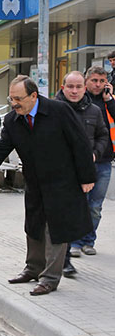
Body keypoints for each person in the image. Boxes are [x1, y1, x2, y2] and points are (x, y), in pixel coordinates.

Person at [0, 75, 95, 296]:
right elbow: (2, 146)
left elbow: (80, 142)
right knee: (33, 226)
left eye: (18, 98)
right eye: (11, 98)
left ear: (34, 96)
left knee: (56, 230)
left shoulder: (58, 111)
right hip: (34, 182)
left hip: (63, 182)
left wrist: (87, 177)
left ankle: (50, 278)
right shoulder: (14, 119)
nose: (13, 103)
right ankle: (33, 268)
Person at [55, 71, 109, 278]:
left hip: (88, 170)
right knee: (65, 214)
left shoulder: (94, 111)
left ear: (84, 88)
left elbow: (103, 134)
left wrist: (95, 153)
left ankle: (81, 244)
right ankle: (65, 258)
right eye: (70, 86)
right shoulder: (53, 109)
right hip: (62, 172)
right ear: (63, 87)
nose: (75, 91)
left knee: (90, 209)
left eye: (78, 87)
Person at [68, 66, 115, 257]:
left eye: (102, 81)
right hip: (81, 162)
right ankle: (76, 242)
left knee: (95, 206)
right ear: (86, 81)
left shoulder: (108, 102)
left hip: (104, 161)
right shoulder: (80, 101)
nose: (98, 84)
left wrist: (110, 100)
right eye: (94, 80)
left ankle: (89, 241)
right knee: (81, 202)